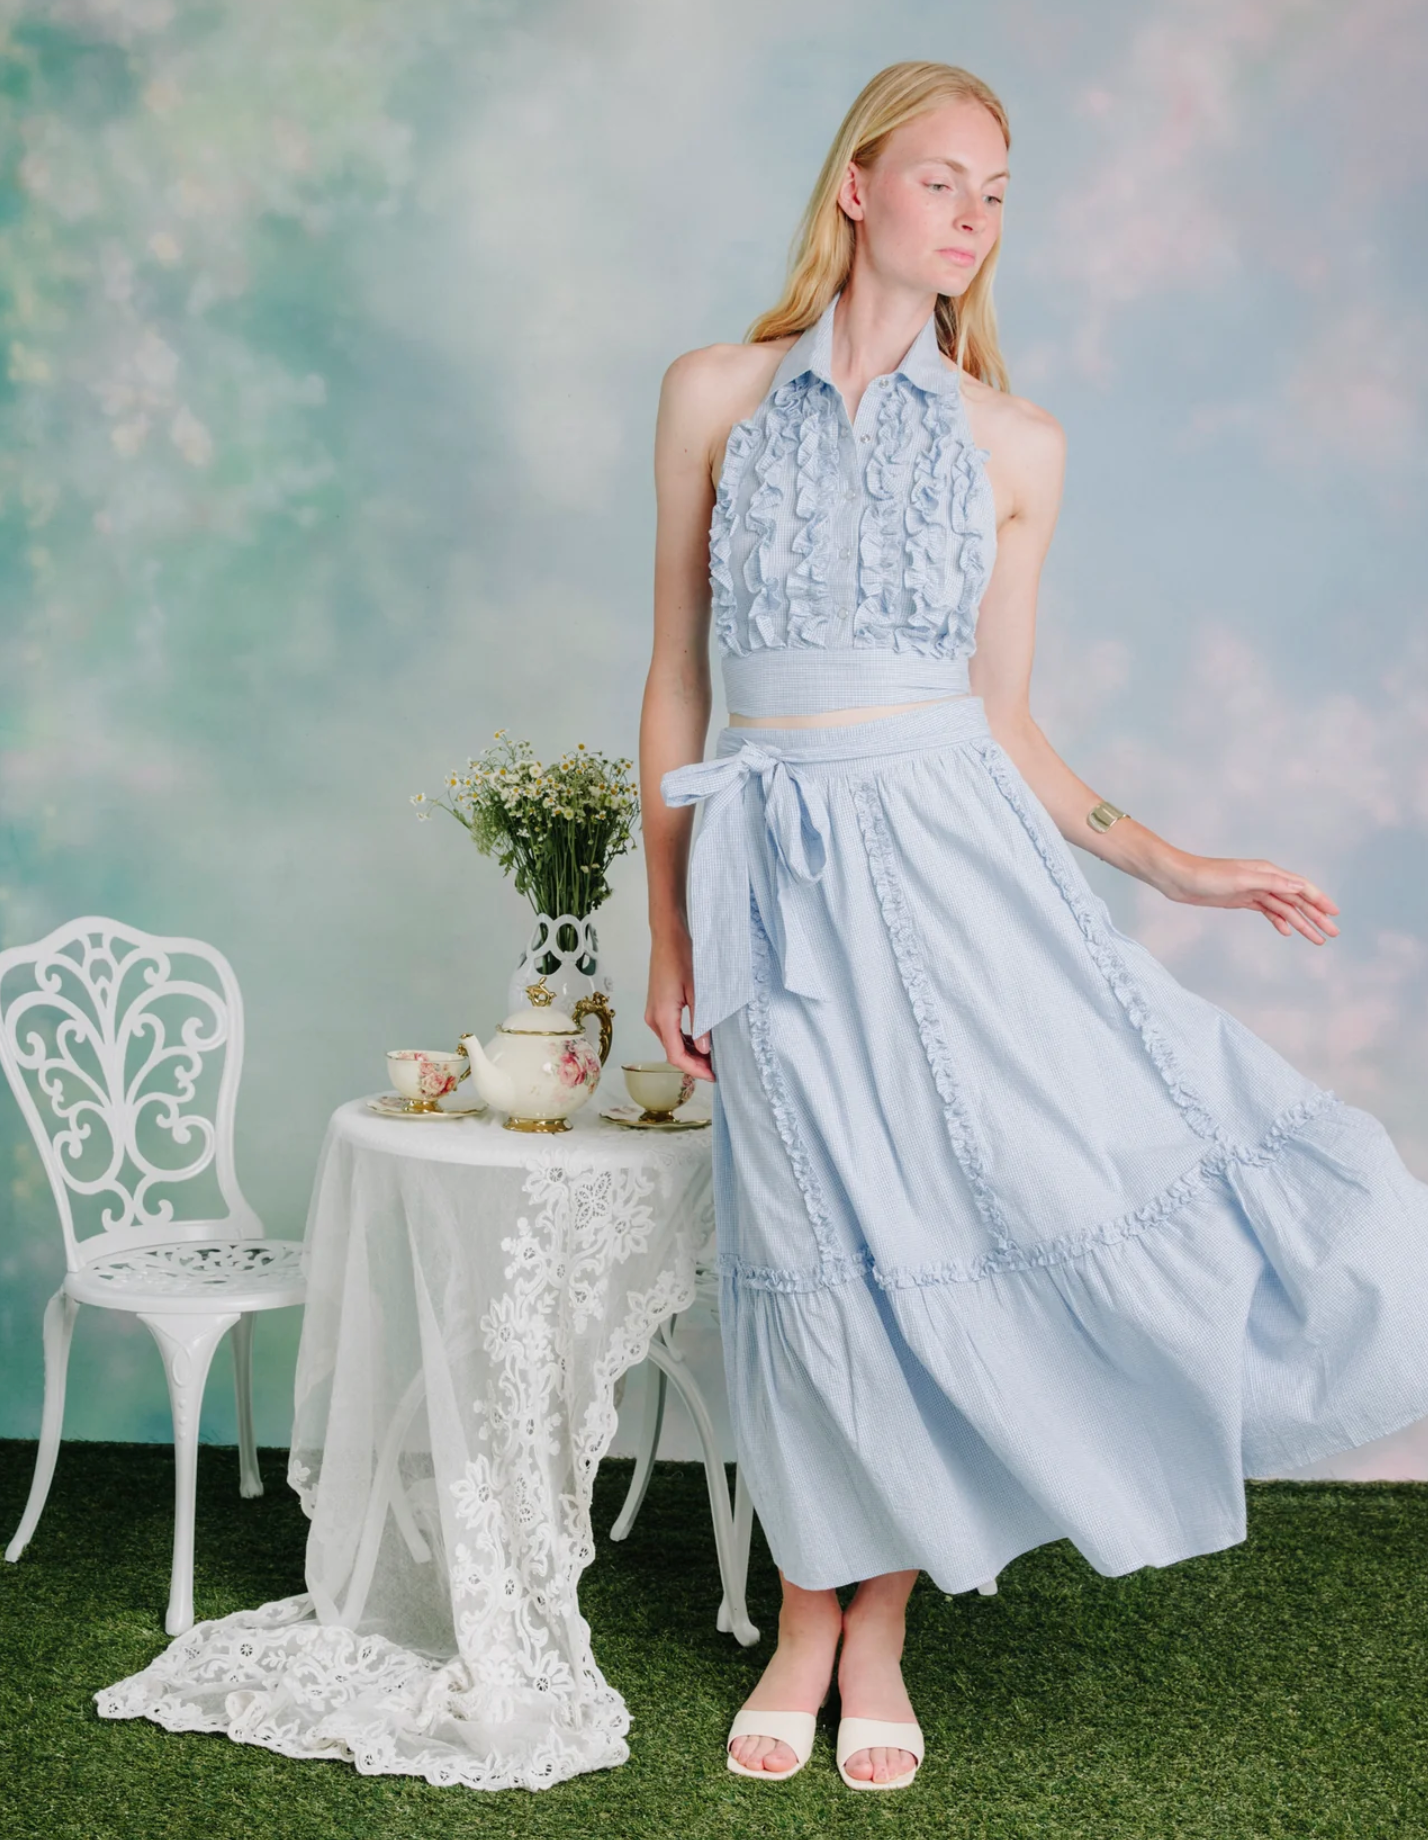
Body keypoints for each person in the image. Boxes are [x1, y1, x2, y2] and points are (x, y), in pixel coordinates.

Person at [638, 59, 1428, 1793]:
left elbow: (1005, 728)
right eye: (945, 181)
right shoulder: (712, 395)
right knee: (803, 1243)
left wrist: (1177, 865)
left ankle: (878, 1632)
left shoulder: (1018, 445)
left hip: (957, 880)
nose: (976, 219)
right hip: (767, 879)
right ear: (858, 186)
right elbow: (678, 684)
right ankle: (802, 1621)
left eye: (998, 194)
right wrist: (671, 937)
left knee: (945, 1221)